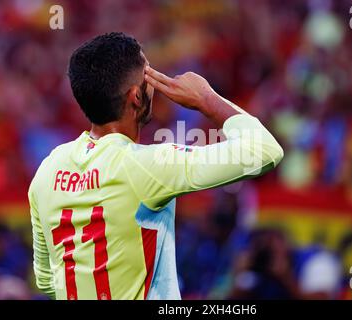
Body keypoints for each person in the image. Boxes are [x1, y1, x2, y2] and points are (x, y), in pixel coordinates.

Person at [28, 32, 283, 300]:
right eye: (149, 74)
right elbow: (264, 151)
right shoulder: (149, 165)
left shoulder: (48, 169)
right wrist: (207, 99)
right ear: (136, 96)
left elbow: (47, 279)